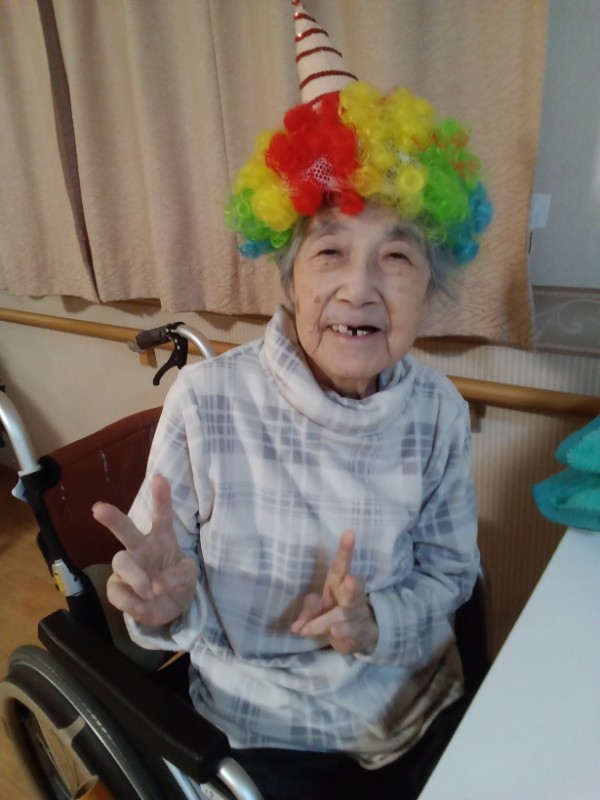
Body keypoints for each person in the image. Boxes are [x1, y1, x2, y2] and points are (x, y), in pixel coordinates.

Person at [93, 3, 492, 798]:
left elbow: (452, 572)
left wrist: (375, 622)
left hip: (408, 708)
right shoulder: (206, 404)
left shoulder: (438, 410)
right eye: (330, 251)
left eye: (397, 257)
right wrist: (162, 607)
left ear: (430, 283)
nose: (360, 287)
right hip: (260, 731)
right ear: (289, 276)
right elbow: (160, 582)